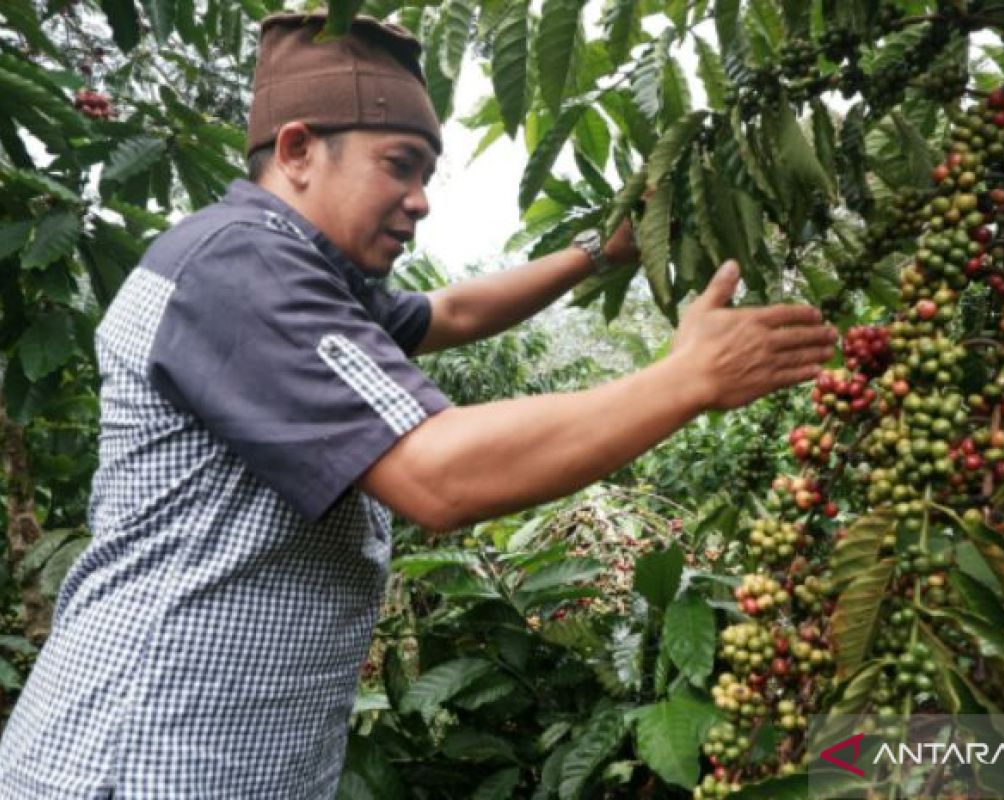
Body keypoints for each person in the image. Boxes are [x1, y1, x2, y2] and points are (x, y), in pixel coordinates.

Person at [0, 11, 837, 799]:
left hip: (217, 758)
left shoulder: (311, 279)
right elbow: (438, 477)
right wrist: (682, 380)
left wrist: (597, 252)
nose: (422, 200)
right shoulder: (241, 270)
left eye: (428, 175)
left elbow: (453, 314)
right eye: (399, 165)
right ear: (297, 149)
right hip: (139, 761)